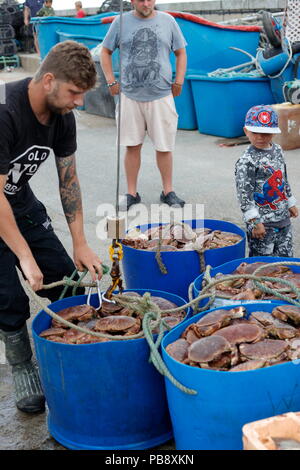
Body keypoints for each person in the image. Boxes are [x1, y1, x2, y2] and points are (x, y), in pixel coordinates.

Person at [0, 41, 103, 414]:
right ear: (48, 80)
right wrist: (24, 257)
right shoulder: (4, 110)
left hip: (21, 204)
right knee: (9, 297)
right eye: (74, 92)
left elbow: (69, 180)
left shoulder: (62, 117)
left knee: (63, 278)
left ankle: (83, 347)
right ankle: (22, 365)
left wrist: (80, 243)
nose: (79, 101)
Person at [100, 0, 187, 210]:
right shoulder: (120, 22)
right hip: (130, 95)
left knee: (164, 146)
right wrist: (111, 80)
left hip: (161, 95)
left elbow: (181, 52)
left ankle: (168, 191)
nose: (146, 3)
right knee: (132, 145)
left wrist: (179, 80)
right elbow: (105, 51)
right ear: (132, 1)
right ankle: (131, 193)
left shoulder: (168, 21)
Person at [235, 104, 298, 257]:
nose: (260, 137)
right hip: (262, 224)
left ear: (274, 133)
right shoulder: (246, 161)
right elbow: (244, 195)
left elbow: (283, 177)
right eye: (255, 132)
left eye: (266, 133)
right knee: (262, 263)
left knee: (285, 259)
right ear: (246, 131)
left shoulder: (277, 150)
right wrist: (255, 222)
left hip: (283, 218)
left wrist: (290, 201)